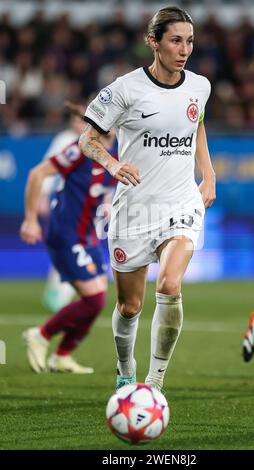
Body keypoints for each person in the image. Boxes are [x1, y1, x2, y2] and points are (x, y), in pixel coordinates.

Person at [79, 6, 216, 391]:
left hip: (180, 203)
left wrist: (209, 174)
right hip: (134, 209)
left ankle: (154, 382)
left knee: (170, 286)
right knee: (130, 307)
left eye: (189, 41)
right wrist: (110, 163)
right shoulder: (124, 89)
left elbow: (197, 124)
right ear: (153, 42)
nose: (184, 49)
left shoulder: (199, 86)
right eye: (175, 40)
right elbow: (86, 139)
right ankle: (126, 370)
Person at [20, 106, 117, 374]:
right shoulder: (80, 149)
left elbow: (106, 186)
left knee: (97, 300)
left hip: (88, 235)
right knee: (94, 299)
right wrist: (30, 219)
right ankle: (41, 334)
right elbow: (37, 174)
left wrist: (108, 203)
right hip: (66, 233)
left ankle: (62, 356)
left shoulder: (117, 151)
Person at [39, 102, 84, 312]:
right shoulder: (65, 140)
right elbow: (48, 168)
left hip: (86, 206)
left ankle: (63, 289)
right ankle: (61, 292)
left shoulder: (94, 141)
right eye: (76, 119)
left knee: (76, 246)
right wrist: (42, 196)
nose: (79, 123)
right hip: (67, 203)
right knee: (70, 246)